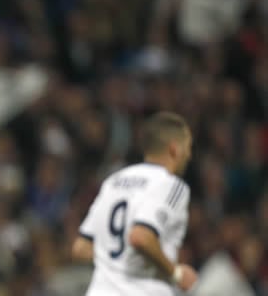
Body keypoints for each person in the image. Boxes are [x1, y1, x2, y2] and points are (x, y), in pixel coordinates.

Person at [71, 111, 198, 295]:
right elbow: (140, 237)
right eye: (188, 147)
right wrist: (176, 273)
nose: (189, 155)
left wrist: (116, 263)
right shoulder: (171, 185)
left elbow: (80, 248)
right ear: (174, 149)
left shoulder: (114, 181)